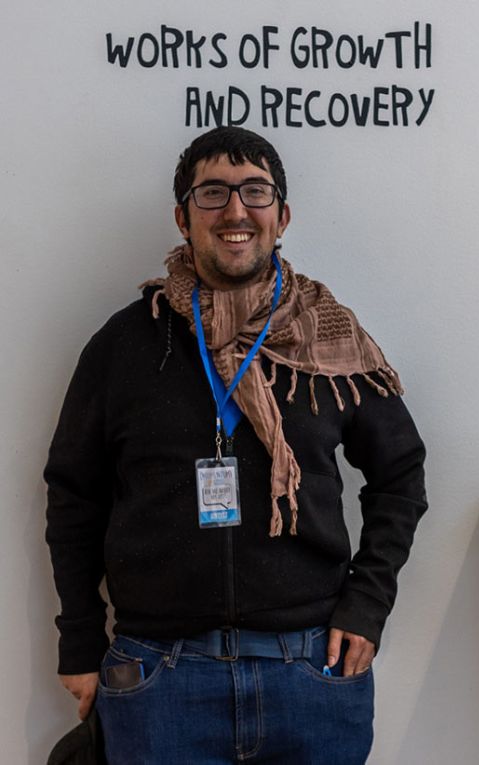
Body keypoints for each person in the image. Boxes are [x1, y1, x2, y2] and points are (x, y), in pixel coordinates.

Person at [44, 127, 428, 764]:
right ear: (182, 216)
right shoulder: (124, 344)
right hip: (158, 679)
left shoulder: (331, 341)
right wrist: (79, 641)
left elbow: (401, 474)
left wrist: (367, 606)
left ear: (281, 217)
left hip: (310, 674)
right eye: (212, 193)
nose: (235, 210)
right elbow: (73, 498)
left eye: (255, 191)